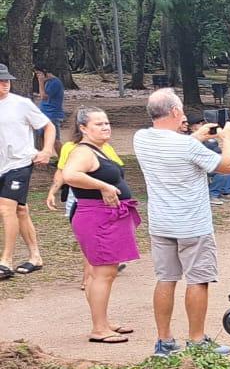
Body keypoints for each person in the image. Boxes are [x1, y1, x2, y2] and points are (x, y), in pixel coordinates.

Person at [133, 88, 230, 355]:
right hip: (193, 224)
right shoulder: (186, 145)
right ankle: (197, 339)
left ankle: (164, 340)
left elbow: (173, 147)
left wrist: (196, 137)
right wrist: (228, 141)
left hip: (161, 222)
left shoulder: (141, 138)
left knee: (166, 278)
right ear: (176, 111)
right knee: (197, 280)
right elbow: (227, 167)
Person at [59, 107, 140, 343]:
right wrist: (103, 187)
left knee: (102, 273)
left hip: (106, 216)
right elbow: (70, 175)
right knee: (103, 273)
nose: (106, 127)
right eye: (98, 124)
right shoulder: (83, 151)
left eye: (107, 123)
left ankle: (103, 321)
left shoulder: (99, 150)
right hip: (97, 217)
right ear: (83, 128)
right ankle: (99, 328)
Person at [0, 64, 55, 279]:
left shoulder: (21, 104)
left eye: (7, 80)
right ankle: (35, 256)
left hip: (20, 162)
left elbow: (48, 126)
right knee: (20, 210)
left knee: (6, 209)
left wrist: (47, 150)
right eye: (1, 81)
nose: (5, 84)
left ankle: (6, 260)